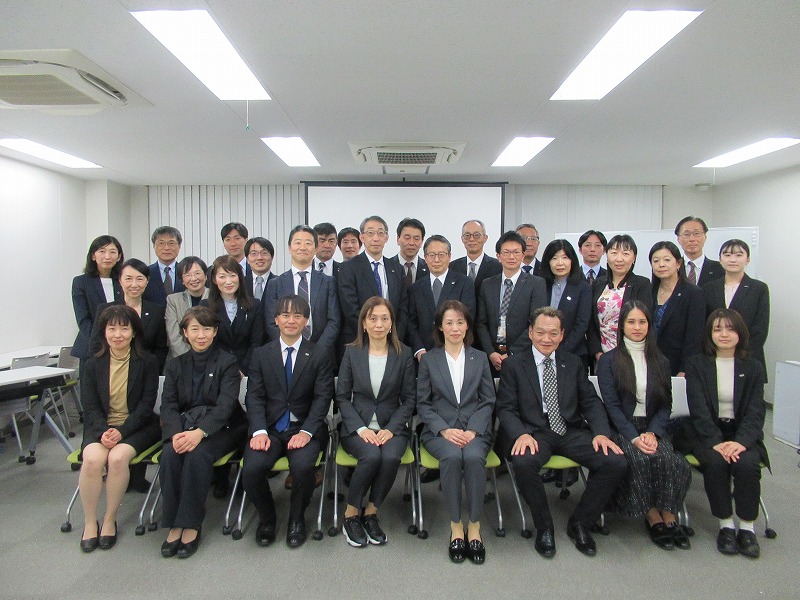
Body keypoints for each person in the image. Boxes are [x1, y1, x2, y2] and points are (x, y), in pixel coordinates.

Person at [496, 307, 627, 558]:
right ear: (530, 332)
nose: (547, 339)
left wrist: (601, 433)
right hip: (534, 431)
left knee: (615, 462)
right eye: (541, 332)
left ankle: (581, 523)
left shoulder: (573, 362)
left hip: (569, 429)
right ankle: (544, 527)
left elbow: (591, 402)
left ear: (562, 335)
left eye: (553, 333)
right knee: (524, 462)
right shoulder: (513, 365)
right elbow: (505, 407)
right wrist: (520, 434)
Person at [597, 301, 692, 551]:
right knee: (639, 459)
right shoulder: (609, 361)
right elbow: (612, 407)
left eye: (642, 322)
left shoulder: (661, 360)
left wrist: (653, 432)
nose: (637, 327)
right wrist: (634, 437)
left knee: (670, 460)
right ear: (622, 326)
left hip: (652, 427)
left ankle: (668, 513)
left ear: (649, 325)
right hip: (622, 427)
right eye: (631, 322)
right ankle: (652, 515)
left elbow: (666, 405)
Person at [242, 295, 333, 549]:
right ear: (276, 320)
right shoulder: (261, 354)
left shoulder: (319, 354)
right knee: (251, 469)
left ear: (306, 321)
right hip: (269, 429)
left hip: (304, 428)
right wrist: (259, 431)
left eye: (297, 316)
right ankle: (267, 518)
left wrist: (307, 431)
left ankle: (296, 519)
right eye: (285, 315)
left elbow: (323, 397)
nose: (291, 320)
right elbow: (254, 396)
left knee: (304, 468)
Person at [158, 306, 247, 558]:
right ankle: (174, 523)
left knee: (198, 455)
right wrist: (176, 434)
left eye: (207, 329)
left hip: (223, 427)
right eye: (195, 329)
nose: (201, 335)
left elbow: (226, 406)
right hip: (184, 427)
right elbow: (168, 405)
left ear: (215, 332)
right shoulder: (175, 365)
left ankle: (191, 524)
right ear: (185, 333)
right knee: (170, 454)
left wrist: (200, 432)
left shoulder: (228, 362)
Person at [685, 309, 769, 558]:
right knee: (716, 462)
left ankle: (747, 528)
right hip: (707, 432)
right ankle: (726, 526)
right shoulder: (697, 364)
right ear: (709, 334)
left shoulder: (753, 367)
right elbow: (698, 409)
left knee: (747, 464)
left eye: (730, 329)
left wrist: (740, 442)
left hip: (742, 433)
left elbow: (756, 412)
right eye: (717, 329)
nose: (724, 334)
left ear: (740, 333)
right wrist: (716, 442)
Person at [416, 300, 495, 564]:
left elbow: (488, 400)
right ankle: (456, 525)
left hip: (475, 430)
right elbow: (423, 404)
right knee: (451, 457)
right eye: (449, 323)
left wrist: (473, 429)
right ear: (440, 327)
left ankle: (474, 525)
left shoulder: (480, 358)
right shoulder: (429, 360)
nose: (455, 328)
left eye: (460, 322)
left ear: (467, 326)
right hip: (439, 431)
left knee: (473, 457)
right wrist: (443, 429)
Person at [78, 305, 161, 552]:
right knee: (92, 461)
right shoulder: (92, 365)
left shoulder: (148, 362)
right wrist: (104, 430)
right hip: (100, 427)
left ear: (134, 333)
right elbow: (90, 406)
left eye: (124, 329)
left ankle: (109, 519)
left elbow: (146, 405)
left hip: (137, 426)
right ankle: (90, 521)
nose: (118, 335)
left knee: (116, 459)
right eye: (112, 329)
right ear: (103, 332)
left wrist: (122, 431)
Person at [336, 297, 415, 547]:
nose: (378, 324)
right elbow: (342, 396)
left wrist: (391, 429)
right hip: (357, 427)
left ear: (391, 324)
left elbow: (409, 399)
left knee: (390, 457)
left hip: (392, 427)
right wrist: (360, 428)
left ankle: (370, 512)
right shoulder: (352, 352)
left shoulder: (404, 354)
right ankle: (351, 514)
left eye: (384, 319)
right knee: (371, 456)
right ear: (364, 323)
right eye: (372, 318)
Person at [475, 230, 547, 373]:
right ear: (498, 256)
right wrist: (490, 352)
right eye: (506, 252)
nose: (511, 257)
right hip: (492, 358)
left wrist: (512, 353)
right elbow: (481, 323)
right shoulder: (487, 284)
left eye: (516, 252)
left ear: (523, 255)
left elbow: (535, 323)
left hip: (523, 356)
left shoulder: (536, 284)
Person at [263, 225, 340, 356]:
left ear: (316, 249)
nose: (303, 247)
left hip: (321, 354)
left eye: (308, 243)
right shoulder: (275, 284)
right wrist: (289, 346)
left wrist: (318, 351)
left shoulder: (328, 282)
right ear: (289, 248)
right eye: (298, 243)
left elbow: (334, 321)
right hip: (286, 353)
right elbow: (271, 322)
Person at [337, 215, 409, 345]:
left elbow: (403, 307)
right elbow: (351, 309)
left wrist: (394, 336)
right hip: (360, 341)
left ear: (386, 237)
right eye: (370, 233)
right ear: (362, 237)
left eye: (380, 233)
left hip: (393, 341)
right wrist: (373, 335)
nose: (376, 238)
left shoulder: (397, 269)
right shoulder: (348, 268)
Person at [703, 239, 770, 376]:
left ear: (748, 259)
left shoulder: (759, 288)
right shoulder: (708, 288)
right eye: (727, 255)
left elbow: (760, 328)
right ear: (720, 260)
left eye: (739, 255)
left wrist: (741, 354)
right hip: (714, 357)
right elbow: (704, 324)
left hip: (748, 358)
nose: (732, 259)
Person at [91, 258, 168, 374]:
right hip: (111, 371)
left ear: (147, 281)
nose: (134, 284)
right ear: (120, 281)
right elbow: (96, 344)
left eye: (139, 279)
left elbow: (160, 348)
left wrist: (152, 371)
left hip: (145, 371)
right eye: (128, 279)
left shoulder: (157, 311)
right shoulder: (105, 309)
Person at [409, 234, 475, 361]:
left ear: (449, 256)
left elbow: (468, 317)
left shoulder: (464, 283)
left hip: (456, 353)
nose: (436, 260)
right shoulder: (416, 287)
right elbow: (412, 323)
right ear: (425, 258)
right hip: (424, 355)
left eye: (441, 255)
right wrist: (419, 349)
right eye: (432, 255)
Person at [588, 234, 652, 362]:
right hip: (602, 356)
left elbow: (644, 322)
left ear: (634, 258)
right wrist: (597, 352)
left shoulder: (642, 284)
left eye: (625, 254)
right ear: (607, 256)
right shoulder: (598, 284)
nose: (619, 259)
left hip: (631, 355)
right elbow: (591, 323)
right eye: (614, 253)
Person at [649, 241, 705, 375]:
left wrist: (685, 368)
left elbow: (695, 337)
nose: (661, 264)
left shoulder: (693, 293)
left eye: (667, 260)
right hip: (650, 363)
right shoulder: (648, 291)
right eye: (656, 261)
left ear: (678, 264)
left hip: (677, 365)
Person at [201, 255, 264, 376]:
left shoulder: (254, 305)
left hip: (248, 370)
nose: (228, 281)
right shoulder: (205, 306)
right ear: (214, 279)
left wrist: (243, 369)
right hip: (216, 370)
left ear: (240, 277)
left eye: (232, 275)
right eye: (222, 276)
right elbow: (208, 342)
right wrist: (224, 368)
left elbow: (256, 343)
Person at [70, 235, 124, 364]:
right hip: (92, 348)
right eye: (102, 251)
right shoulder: (81, 282)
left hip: (121, 347)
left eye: (112, 252)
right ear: (93, 256)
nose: (107, 256)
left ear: (119, 257)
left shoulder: (123, 281)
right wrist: (102, 342)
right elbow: (83, 319)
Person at [540, 239, 591, 362]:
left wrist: (560, 351)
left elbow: (581, 325)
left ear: (572, 260)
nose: (560, 263)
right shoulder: (540, 285)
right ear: (548, 262)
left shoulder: (583, 288)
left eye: (565, 257)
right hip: (542, 351)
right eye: (554, 258)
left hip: (573, 354)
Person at [165, 257, 209, 359]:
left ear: (206, 276)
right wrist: (189, 358)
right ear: (182, 280)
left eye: (197, 273)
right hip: (181, 358)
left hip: (212, 358)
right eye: (187, 275)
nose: (193, 278)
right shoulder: (173, 300)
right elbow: (174, 336)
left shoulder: (215, 297)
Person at [450, 219, 502, 295]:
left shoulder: (498, 266)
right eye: (467, 235)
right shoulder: (452, 267)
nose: (471, 239)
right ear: (462, 239)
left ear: (485, 238)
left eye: (476, 235)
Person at [674, 216, 723, 285]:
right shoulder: (673, 268)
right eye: (686, 234)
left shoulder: (719, 268)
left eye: (696, 233)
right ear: (678, 239)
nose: (692, 239)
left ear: (705, 237)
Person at [143, 226, 184, 305]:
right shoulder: (145, 273)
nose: (166, 248)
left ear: (179, 246)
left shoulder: (185, 272)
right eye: (161, 243)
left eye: (171, 243)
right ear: (154, 246)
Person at [389, 217, 429, 290]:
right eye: (407, 238)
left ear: (422, 242)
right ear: (398, 239)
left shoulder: (428, 268)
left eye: (416, 239)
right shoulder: (388, 266)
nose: (411, 243)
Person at [244, 237, 277, 301]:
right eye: (254, 253)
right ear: (247, 259)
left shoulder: (280, 283)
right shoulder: (241, 284)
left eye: (264, 253)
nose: (259, 258)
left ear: (271, 257)